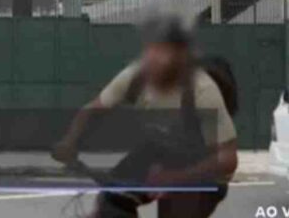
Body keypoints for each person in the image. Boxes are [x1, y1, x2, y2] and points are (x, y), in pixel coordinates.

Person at [51, 14, 237, 217]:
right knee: (113, 198)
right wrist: (69, 141)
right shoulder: (135, 77)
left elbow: (227, 159)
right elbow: (94, 109)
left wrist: (175, 178)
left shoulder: (201, 90)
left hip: (204, 172)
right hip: (162, 153)